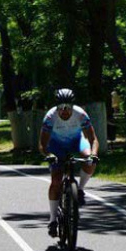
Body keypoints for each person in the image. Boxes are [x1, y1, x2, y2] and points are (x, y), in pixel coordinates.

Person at [39, 88, 99, 238]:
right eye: (61, 108)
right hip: (56, 146)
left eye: (68, 108)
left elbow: (93, 139)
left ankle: (80, 189)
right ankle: (53, 220)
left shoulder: (81, 114)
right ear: (56, 108)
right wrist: (49, 155)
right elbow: (42, 144)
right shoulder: (50, 117)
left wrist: (93, 154)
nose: (64, 111)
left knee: (90, 161)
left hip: (77, 142)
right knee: (56, 180)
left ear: (73, 107)